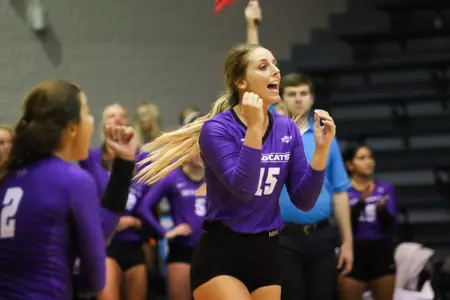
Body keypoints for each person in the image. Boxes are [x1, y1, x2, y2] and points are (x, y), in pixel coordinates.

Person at [137, 43, 336, 300]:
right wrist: (254, 129)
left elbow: (304, 201)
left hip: (268, 251)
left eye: (275, 64)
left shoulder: (286, 129)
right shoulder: (217, 129)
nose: (276, 71)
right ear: (240, 83)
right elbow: (243, 189)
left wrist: (321, 150)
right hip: (223, 254)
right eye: (264, 67)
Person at [245, 3, 353, 300]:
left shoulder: (325, 135)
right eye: (291, 93)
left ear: (312, 97)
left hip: (321, 235)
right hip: (282, 236)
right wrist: (252, 26)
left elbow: (341, 192)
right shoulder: (273, 127)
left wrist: (348, 243)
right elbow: (255, 80)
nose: (298, 99)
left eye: (303, 93)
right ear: (282, 97)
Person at [0, 81, 134, 300]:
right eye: (87, 112)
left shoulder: (9, 177)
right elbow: (94, 280)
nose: (91, 121)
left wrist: (123, 165)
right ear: (72, 128)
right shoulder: (72, 180)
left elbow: (100, 232)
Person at [138, 152, 205, 300]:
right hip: (182, 249)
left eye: (200, 148)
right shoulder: (173, 177)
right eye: (192, 148)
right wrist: (164, 233)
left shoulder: (215, 176)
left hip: (210, 250)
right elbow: (144, 207)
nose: (196, 154)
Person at [339, 144, 397, 300]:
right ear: (349, 164)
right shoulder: (342, 191)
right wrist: (360, 203)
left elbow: (392, 225)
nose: (369, 162)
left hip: (381, 252)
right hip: (354, 253)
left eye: (370, 157)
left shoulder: (385, 188)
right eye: (362, 158)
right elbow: (342, 224)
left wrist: (382, 211)